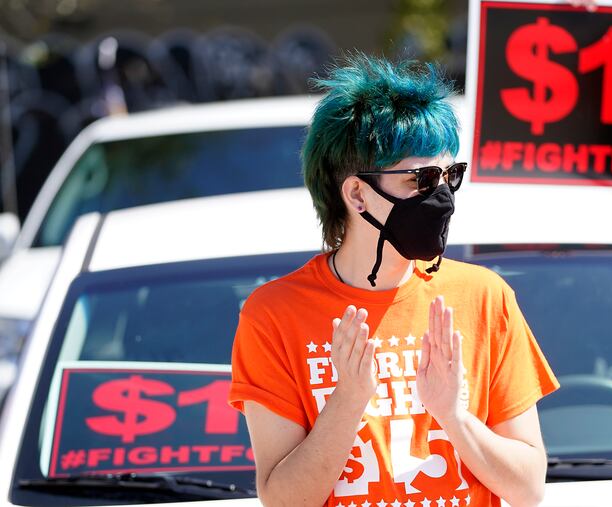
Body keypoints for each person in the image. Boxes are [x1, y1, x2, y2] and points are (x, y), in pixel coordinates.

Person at [228, 54, 560, 507]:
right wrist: (347, 401)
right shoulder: (274, 315)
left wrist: (454, 416)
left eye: (449, 176)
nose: (440, 196)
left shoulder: (485, 298)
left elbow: (528, 488)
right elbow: (282, 500)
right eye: (420, 179)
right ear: (358, 194)